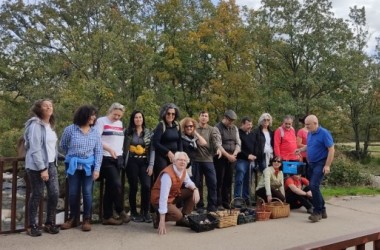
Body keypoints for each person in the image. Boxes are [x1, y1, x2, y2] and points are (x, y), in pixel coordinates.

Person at [60, 105, 103, 232]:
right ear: (84, 115)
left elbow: (98, 151)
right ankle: (72, 218)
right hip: (73, 166)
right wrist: (72, 156)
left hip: (89, 166)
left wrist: (97, 169)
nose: (94, 117)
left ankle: (87, 219)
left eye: (95, 115)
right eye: (92, 115)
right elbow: (62, 145)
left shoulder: (95, 132)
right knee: (73, 192)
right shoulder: (71, 129)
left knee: (87, 193)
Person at [24, 99, 60, 236]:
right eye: (46, 106)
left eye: (51, 105)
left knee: (55, 193)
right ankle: (31, 225)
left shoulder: (50, 125)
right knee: (37, 193)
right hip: (36, 166)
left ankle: (49, 223)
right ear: (39, 109)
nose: (49, 107)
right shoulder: (35, 125)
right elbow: (35, 148)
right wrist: (42, 169)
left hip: (51, 163)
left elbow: (51, 147)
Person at [95, 103, 130, 225]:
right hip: (106, 157)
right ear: (110, 111)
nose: (117, 117)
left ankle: (107, 216)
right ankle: (120, 210)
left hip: (117, 158)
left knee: (111, 188)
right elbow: (96, 139)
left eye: (119, 115)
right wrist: (109, 149)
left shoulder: (120, 124)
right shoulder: (101, 121)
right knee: (116, 184)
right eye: (115, 114)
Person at [296, 115, 335, 222]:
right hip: (311, 163)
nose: (306, 126)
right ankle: (323, 210)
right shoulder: (310, 133)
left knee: (313, 185)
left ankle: (317, 212)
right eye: (305, 124)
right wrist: (301, 149)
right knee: (314, 187)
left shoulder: (324, 133)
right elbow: (310, 145)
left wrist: (327, 165)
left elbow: (331, 149)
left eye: (308, 124)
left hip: (321, 163)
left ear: (315, 123)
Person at [150, 152, 200, 235]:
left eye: (185, 160)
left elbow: (188, 182)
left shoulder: (183, 170)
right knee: (177, 215)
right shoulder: (167, 175)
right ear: (174, 161)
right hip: (158, 200)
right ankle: (158, 218)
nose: (183, 162)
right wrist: (162, 221)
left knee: (191, 192)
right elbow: (163, 198)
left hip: (172, 196)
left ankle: (182, 220)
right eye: (180, 160)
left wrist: (195, 189)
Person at [124, 110, 155, 223]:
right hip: (132, 161)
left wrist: (151, 165)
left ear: (143, 119)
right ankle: (133, 211)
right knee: (133, 186)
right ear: (133, 119)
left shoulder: (148, 133)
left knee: (147, 186)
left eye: (140, 117)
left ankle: (145, 212)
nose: (138, 119)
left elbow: (152, 149)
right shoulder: (127, 132)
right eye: (136, 117)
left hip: (144, 162)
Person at [192, 111, 222, 212]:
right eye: (202, 116)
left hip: (208, 159)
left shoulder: (211, 129)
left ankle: (212, 205)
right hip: (196, 160)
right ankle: (199, 205)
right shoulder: (193, 128)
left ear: (208, 118)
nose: (204, 118)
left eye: (206, 116)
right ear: (199, 117)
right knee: (197, 183)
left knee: (212, 182)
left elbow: (215, 141)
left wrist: (218, 148)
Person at [214, 110, 241, 210]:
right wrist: (227, 155)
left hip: (232, 157)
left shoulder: (235, 128)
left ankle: (227, 202)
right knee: (219, 180)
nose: (231, 122)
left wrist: (234, 154)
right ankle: (218, 202)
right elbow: (218, 144)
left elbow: (238, 143)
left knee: (229, 181)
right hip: (221, 157)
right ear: (225, 117)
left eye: (233, 121)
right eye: (230, 120)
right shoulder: (217, 128)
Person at [152, 103, 182, 182]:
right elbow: (155, 142)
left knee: (174, 179)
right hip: (162, 157)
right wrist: (168, 152)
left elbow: (179, 141)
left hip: (175, 156)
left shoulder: (177, 125)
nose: (170, 115)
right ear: (164, 113)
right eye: (168, 113)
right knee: (162, 178)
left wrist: (180, 155)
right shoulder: (161, 125)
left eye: (173, 114)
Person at [234, 117, 256, 206]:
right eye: (248, 124)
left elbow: (255, 146)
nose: (250, 126)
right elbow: (238, 147)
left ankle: (246, 197)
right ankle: (237, 198)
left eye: (251, 124)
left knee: (248, 180)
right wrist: (247, 156)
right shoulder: (238, 133)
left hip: (251, 161)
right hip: (241, 160)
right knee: (239, 179)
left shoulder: (252, 134)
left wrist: (254, 155)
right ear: (242, 124)